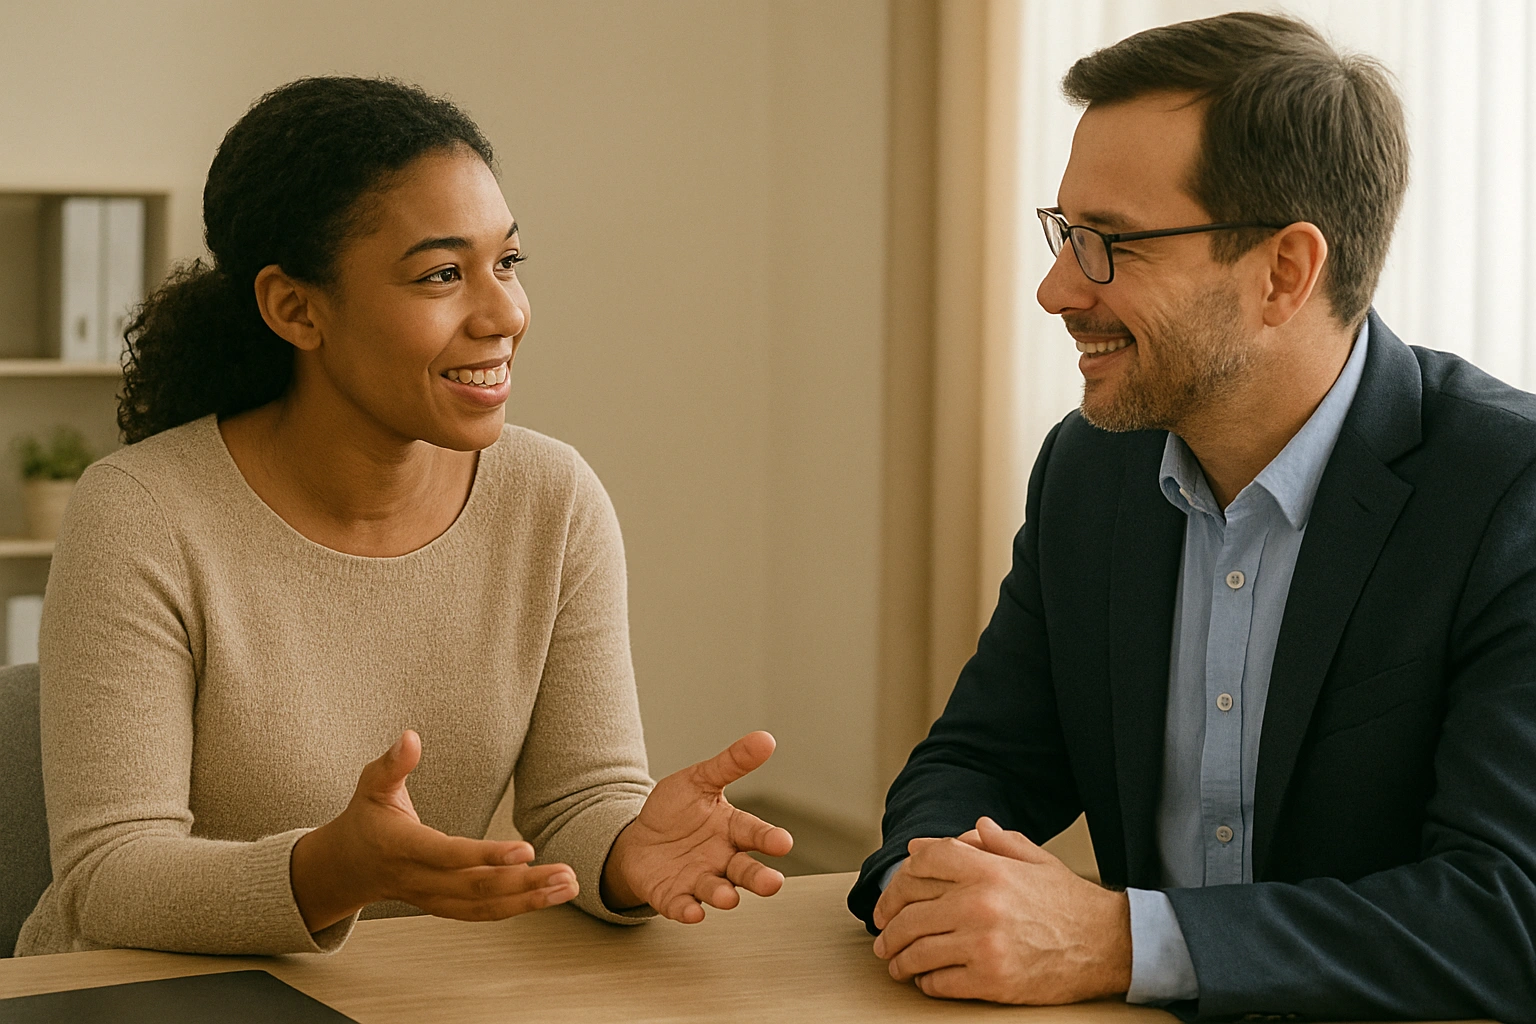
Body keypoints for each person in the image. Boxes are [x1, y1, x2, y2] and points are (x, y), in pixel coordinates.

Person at [848, 13, 1536, 1022]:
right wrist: (934, 881)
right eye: (1064, 232)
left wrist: (1117, 939)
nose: (1054, 288)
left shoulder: (1507, 490)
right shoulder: (1090, 470)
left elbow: (1506, 914)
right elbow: (980, 760)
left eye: (1109, 244)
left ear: (1284, 272)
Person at [17, 76, 792, 957]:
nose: (504, 314)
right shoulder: (141, 513)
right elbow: (108, 876)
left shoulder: (552, 498)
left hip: (400, 995)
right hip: (140, 1002)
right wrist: (330, 870)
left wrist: (627, 851)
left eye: (507, 262)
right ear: (294, 308)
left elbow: (580, 800)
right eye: (441, 275)